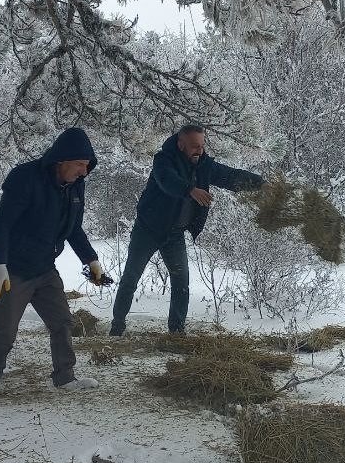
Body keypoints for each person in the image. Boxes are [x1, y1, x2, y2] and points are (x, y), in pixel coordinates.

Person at [0, 127, 111, 390]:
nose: (84, 172)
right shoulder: (25, 178)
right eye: (79, 165)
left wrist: (91, 260)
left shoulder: (76, 187)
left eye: (87, 166)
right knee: (5, 331)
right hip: (13, 269)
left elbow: (73, 228)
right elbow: (2, 223)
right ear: (61, 160)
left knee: (62, 322)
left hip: (45, 268)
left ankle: (65, 378)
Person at [110, 125, 264, 336]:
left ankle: (177, 332)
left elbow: (229, 175)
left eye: (201, 146)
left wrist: (260, 184)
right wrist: (190, 190)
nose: (199, 151)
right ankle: (117, 326)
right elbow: (167, 181)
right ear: (181, 144)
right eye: (194, 146)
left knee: (181, 283)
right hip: (148, 230)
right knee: (130, 278)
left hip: (174, 234)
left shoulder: (203, 164)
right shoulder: (163, 160)